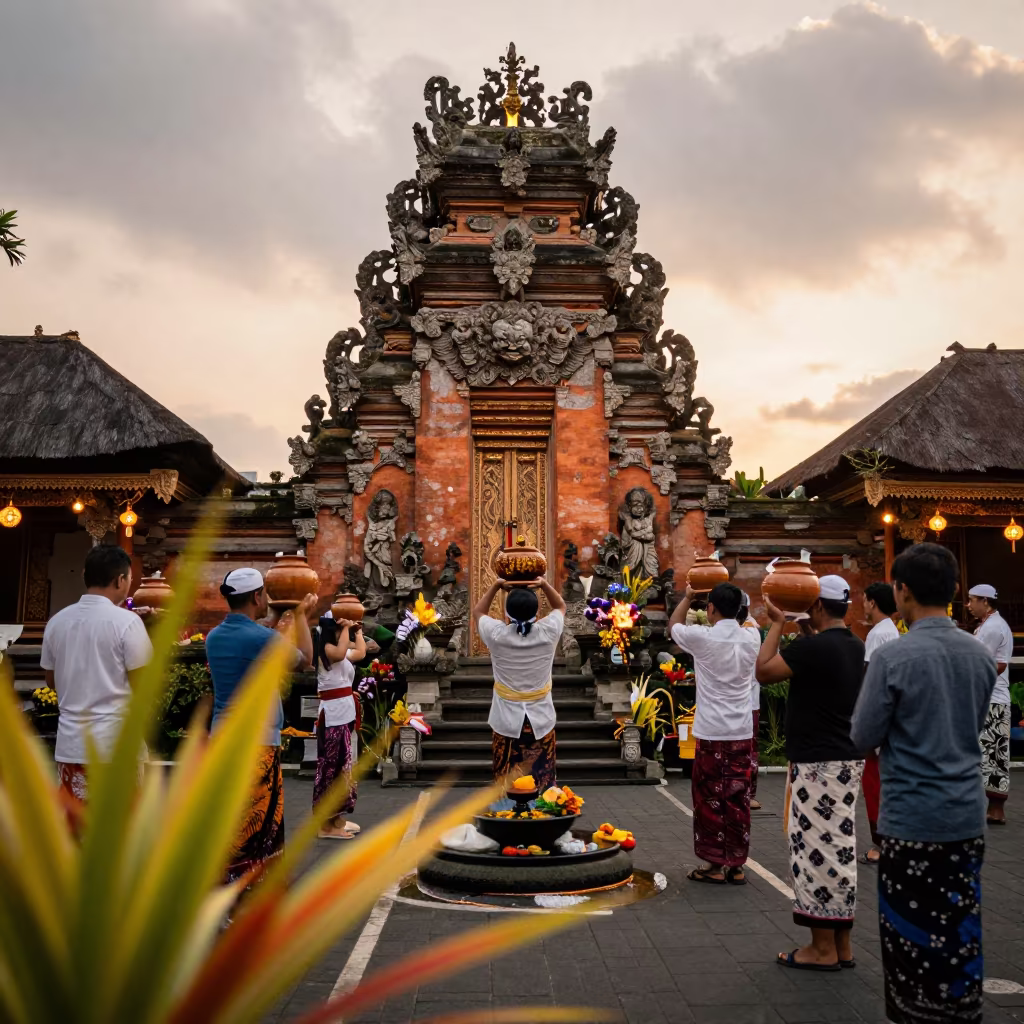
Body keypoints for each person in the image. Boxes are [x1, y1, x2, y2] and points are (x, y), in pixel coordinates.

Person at [851, 544, 995, 1024]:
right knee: (959, 924)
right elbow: (971, 724)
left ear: (902, 590)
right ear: (954, 590)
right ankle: (959, 1010)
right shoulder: (977, 655)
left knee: (910, 934)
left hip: (911, 818)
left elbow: (863, 735)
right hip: (965, 814)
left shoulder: (894, 657)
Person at [756, 575, 865, 971]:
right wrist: (804, 625)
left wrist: (777, 623)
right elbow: (815, 655)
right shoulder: (855, 645)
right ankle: (842, 945)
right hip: (845, 758)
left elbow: (765, 672)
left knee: (815, 852)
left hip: (818, 764)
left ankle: (821, 950)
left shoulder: (816, 649)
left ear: (817, 605)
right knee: (840, 849)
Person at [206, 568, 315, 884]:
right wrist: (301, 617)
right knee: (256, 823)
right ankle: (247, 893)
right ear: (256, 596)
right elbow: (304, 659)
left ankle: (225, 887)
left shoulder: (215, 636)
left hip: (222, 738)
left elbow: (258, 639)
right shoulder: (260, 639)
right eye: (264, 592)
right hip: (255, 744)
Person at [40, 544, 153, 819]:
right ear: (120, 580)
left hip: (72, 744)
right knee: (119, 832)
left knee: (77, 831)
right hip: (115, 744)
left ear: (84, 575)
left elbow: (51, 681)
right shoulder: (127, 622)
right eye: (129, 578)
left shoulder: (56, 622)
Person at [669, 582, 759, 885]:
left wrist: (687, 597)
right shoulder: (751, 637)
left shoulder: (702, 637)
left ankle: (713, 865)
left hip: (712, 730)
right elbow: (747, 622)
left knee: (710, 797)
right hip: (741, 729)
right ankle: (736, 864)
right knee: (737, 796)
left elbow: (674, 626)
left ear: (710, 609)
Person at [472, 577, 566, 791]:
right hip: (541, 719)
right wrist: (542, 584)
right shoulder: (548, 632)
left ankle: (506, 815)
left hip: (505, 718)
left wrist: (496, 585)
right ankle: (543, 815)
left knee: (506, 780)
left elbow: (478, 612)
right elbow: (560, 606)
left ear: (506, 612)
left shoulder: (497, 635)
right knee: (542, 778)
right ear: (537, 610)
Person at [312, 611, 366, 840]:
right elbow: (342, 650)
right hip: (332, 716)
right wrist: (345, 628)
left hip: (343, 714)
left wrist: (357, 631)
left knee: (344, 768)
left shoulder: (339, 653)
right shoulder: (327, 651)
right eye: (337, 630)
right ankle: (325, 824)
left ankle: (337, 818)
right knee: (331, 769)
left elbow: (361, 652)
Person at [859, 582, 901, 864]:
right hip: (892, 715)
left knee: (874, 783)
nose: (862, 605)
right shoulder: (892, 631)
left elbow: (869, 679)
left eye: (864, 600)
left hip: (878, 717)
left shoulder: (878, 633)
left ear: (872, 603)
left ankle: (880, 844)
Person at [968, 583, 1014, 824]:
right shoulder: (988, 625)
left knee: (994, 754)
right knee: (983, 753)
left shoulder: (993, 627)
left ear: (985, 601)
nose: (968, 605)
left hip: (992, 699)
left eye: (972, 600)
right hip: (985, 699)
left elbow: (997, 664)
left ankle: (996, 809)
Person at [735, 591, 764, 811]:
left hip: (748, 701)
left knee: (748, 749)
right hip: (739, 700)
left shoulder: (750, 630)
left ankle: (748, 793)